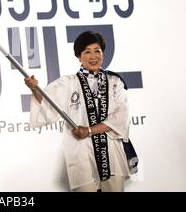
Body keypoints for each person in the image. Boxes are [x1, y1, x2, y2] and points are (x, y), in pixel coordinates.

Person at [24, 31, 130, 192]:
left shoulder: (115, 82)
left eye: (97, 50)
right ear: (79, 57)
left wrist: (88, 131)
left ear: (103, 53)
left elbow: (120, 117)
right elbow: (46, 100)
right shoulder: (68, 83)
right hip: (81, 154)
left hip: (111, 154)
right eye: (87, 51)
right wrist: (34, 88)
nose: (93, 56)